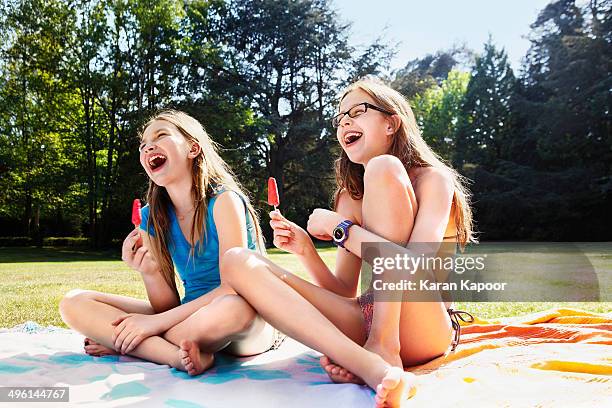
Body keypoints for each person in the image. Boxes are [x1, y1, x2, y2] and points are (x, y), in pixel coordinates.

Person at [194, 78, 475, 407]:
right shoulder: (349, 196)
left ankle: (385, 346)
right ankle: (366, 362)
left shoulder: (432, 180)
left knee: (383, 168)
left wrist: (343, 230)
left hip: (424, 324)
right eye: (340, 118)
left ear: (391, 123)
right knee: (237, 261)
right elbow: (343, 289)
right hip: (363, 320)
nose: (345, 123)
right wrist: (305, 251)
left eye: (358, 112)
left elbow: (411, 266)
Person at [59, 110, 281, 375]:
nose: (147, 146)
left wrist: (152, 325)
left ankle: (129, 344)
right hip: (187, 318)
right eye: (143, 145)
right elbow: (167, 306)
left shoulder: (224, 201)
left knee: (232, 311)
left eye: (161, 135)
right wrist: (150, 273)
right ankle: (176, 355)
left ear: (193, 148)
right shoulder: (150, 218)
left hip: (244, 314)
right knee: (73, 303)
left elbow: (234, 288)